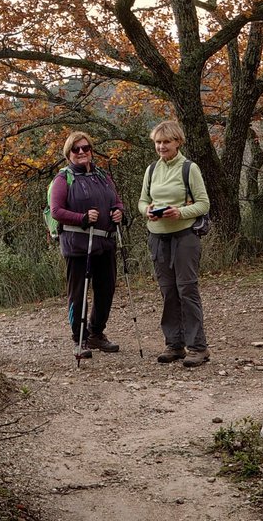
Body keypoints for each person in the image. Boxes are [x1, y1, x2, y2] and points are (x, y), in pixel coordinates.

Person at [138, 120, 210, 367]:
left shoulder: (189, 169)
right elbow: (142, 201)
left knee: (187, 289)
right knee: (168, 291)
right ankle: (174, 345)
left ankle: (198, 347)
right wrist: (146, 210)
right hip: (157, 237)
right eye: (158, 142)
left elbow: (203, 204)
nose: (161, 146)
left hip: (184, 237)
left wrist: (179, 212)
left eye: (166, 141)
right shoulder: (151, 170)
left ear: (178, 141)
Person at [51, 131, 124, 358]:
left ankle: (96, 333)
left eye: (85, 148)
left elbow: (117, 200)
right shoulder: (63, 179)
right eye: (76, 149)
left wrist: (118, 212)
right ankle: (79, 339)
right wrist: (82, 218)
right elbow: (56, 211)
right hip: (78, 246)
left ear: (91, 150)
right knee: (78, 293)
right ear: (68, 153)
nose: (82, 152)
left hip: (105, 243)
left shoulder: (103, 176)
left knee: (106, 290)